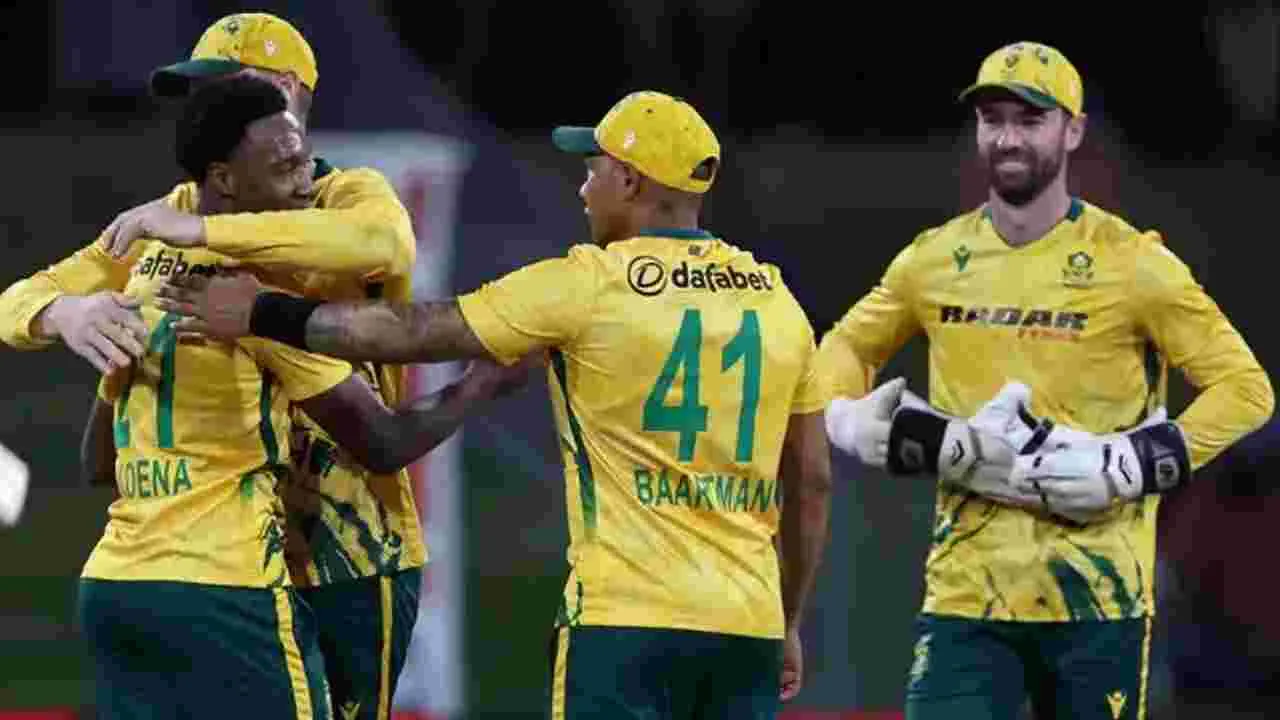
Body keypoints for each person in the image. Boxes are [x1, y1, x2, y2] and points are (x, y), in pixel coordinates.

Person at [155, 90, 833, 719]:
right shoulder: (779, 302)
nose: (583, 188)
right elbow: (810, 479)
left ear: (630, 182)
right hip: (748, 625)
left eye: (594, 170)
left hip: (626, 619)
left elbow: (411, 332)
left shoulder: (586, 284)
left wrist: (261, 311)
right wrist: (790, 619)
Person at [818, 41, 1273, 720]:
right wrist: (846, 417)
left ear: (1073, 131)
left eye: (1030, 120)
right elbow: (846, 346)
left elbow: (1246, 390)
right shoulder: (932, 260)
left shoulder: (1134, 264)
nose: (1008, 137)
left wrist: (1127, 463)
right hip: (965, 604)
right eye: (992, 119)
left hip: (1100, 605)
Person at [0, 14, 436, 718]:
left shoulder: (348, 195)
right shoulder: (169, 215)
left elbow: (384, 246)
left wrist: (205, 229)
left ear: (284, 90)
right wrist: (65, 313)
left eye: (217, 83)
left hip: (347, 542)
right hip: (226, 551)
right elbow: (18, 299)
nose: (198, 105)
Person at [74, 75, 529, 720]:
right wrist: (482, 382)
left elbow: (97, 461)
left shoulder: (143, 281)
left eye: (303, 160)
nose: (303, 181)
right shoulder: (251, 297)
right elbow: (381, 441)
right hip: (240, 584)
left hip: (117, 584)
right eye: (284, 166)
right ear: (223, 176)